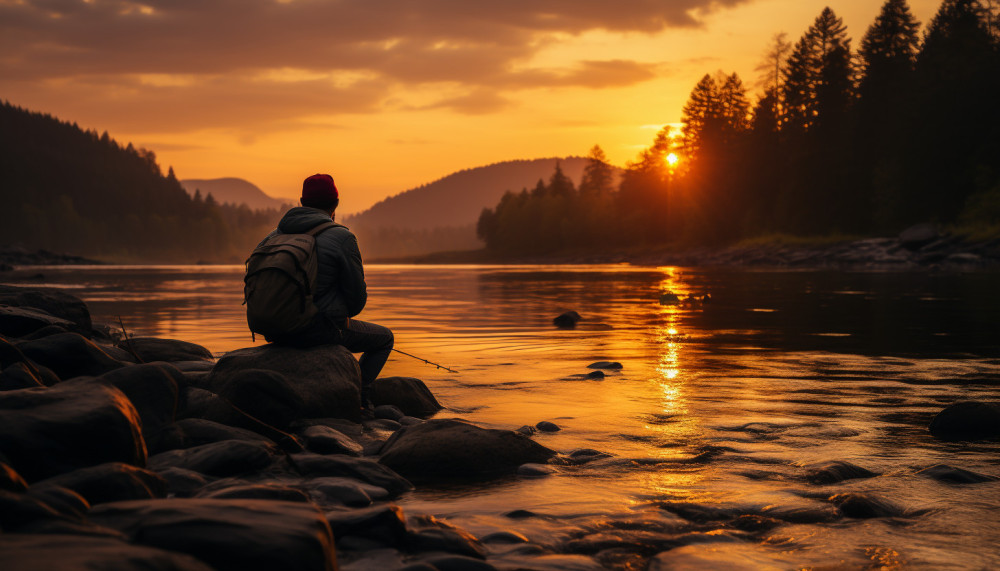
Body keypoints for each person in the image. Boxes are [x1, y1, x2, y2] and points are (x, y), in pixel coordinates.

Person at [262, 173, 393, 406]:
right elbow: (356, 303)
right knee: (384, 339)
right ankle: (357, 395)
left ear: (302, 202)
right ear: (336, 203)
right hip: (317, 330)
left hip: (274, 328)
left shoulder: (273, 236)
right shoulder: (342, 237)